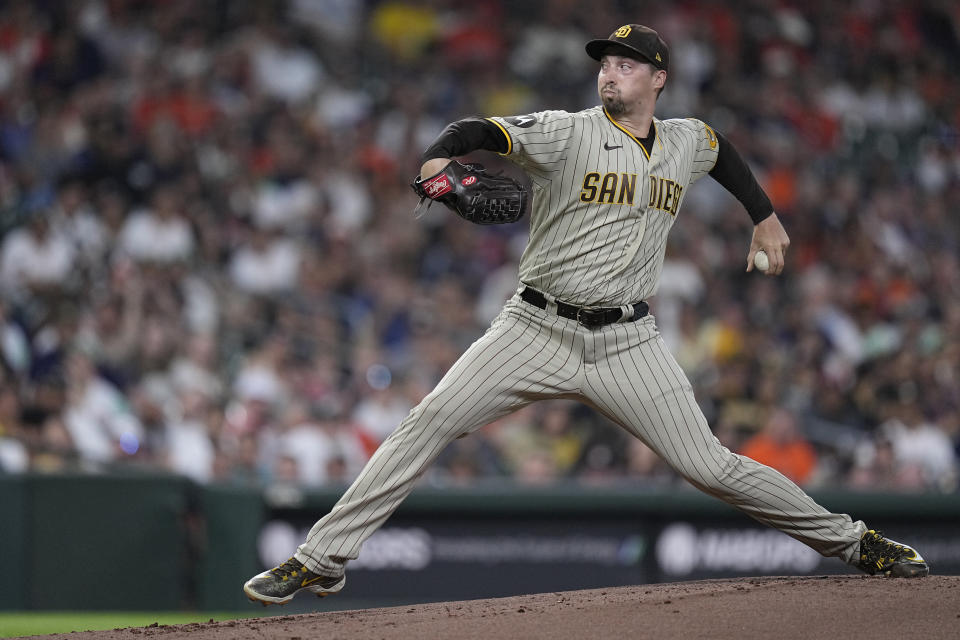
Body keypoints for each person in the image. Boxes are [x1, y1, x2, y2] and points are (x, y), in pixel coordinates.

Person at [243, 24, 927, 605]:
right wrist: (435, 165)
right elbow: (476, 130)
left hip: (629, 339)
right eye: (605, 63)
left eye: (626, 65)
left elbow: (723, 154)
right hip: (535, 327)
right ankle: (323, 557)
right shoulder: (566, 133)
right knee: (427, 421)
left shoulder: (686, 140)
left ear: (658, 78)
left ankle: (856, 542)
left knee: (712, 467)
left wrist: (765, 216)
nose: (610, 73)